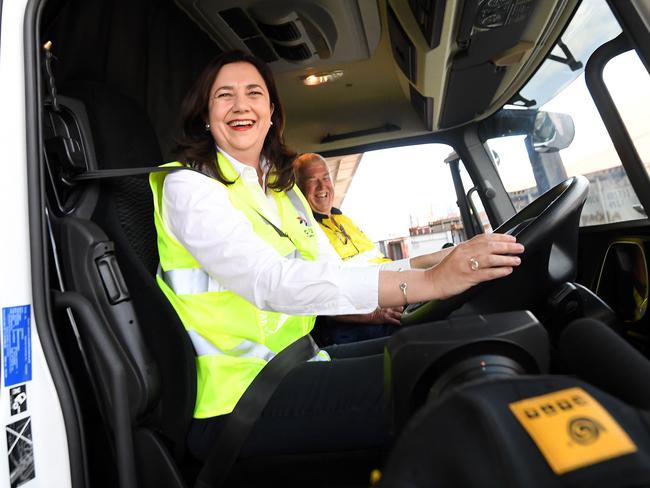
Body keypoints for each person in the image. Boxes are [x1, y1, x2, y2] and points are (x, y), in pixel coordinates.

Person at [149, 50, 524, 464]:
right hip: (238, 400)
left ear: (271, 112)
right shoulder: (188, 187)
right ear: (205, 113)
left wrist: (443, 260)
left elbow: (341, 270)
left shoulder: (281, 191)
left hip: (297, 361)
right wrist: (431, 283)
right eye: (224, 95)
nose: (241, 105)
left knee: (460, 354)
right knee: (452, 386)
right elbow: (270, 282)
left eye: (254, 93)